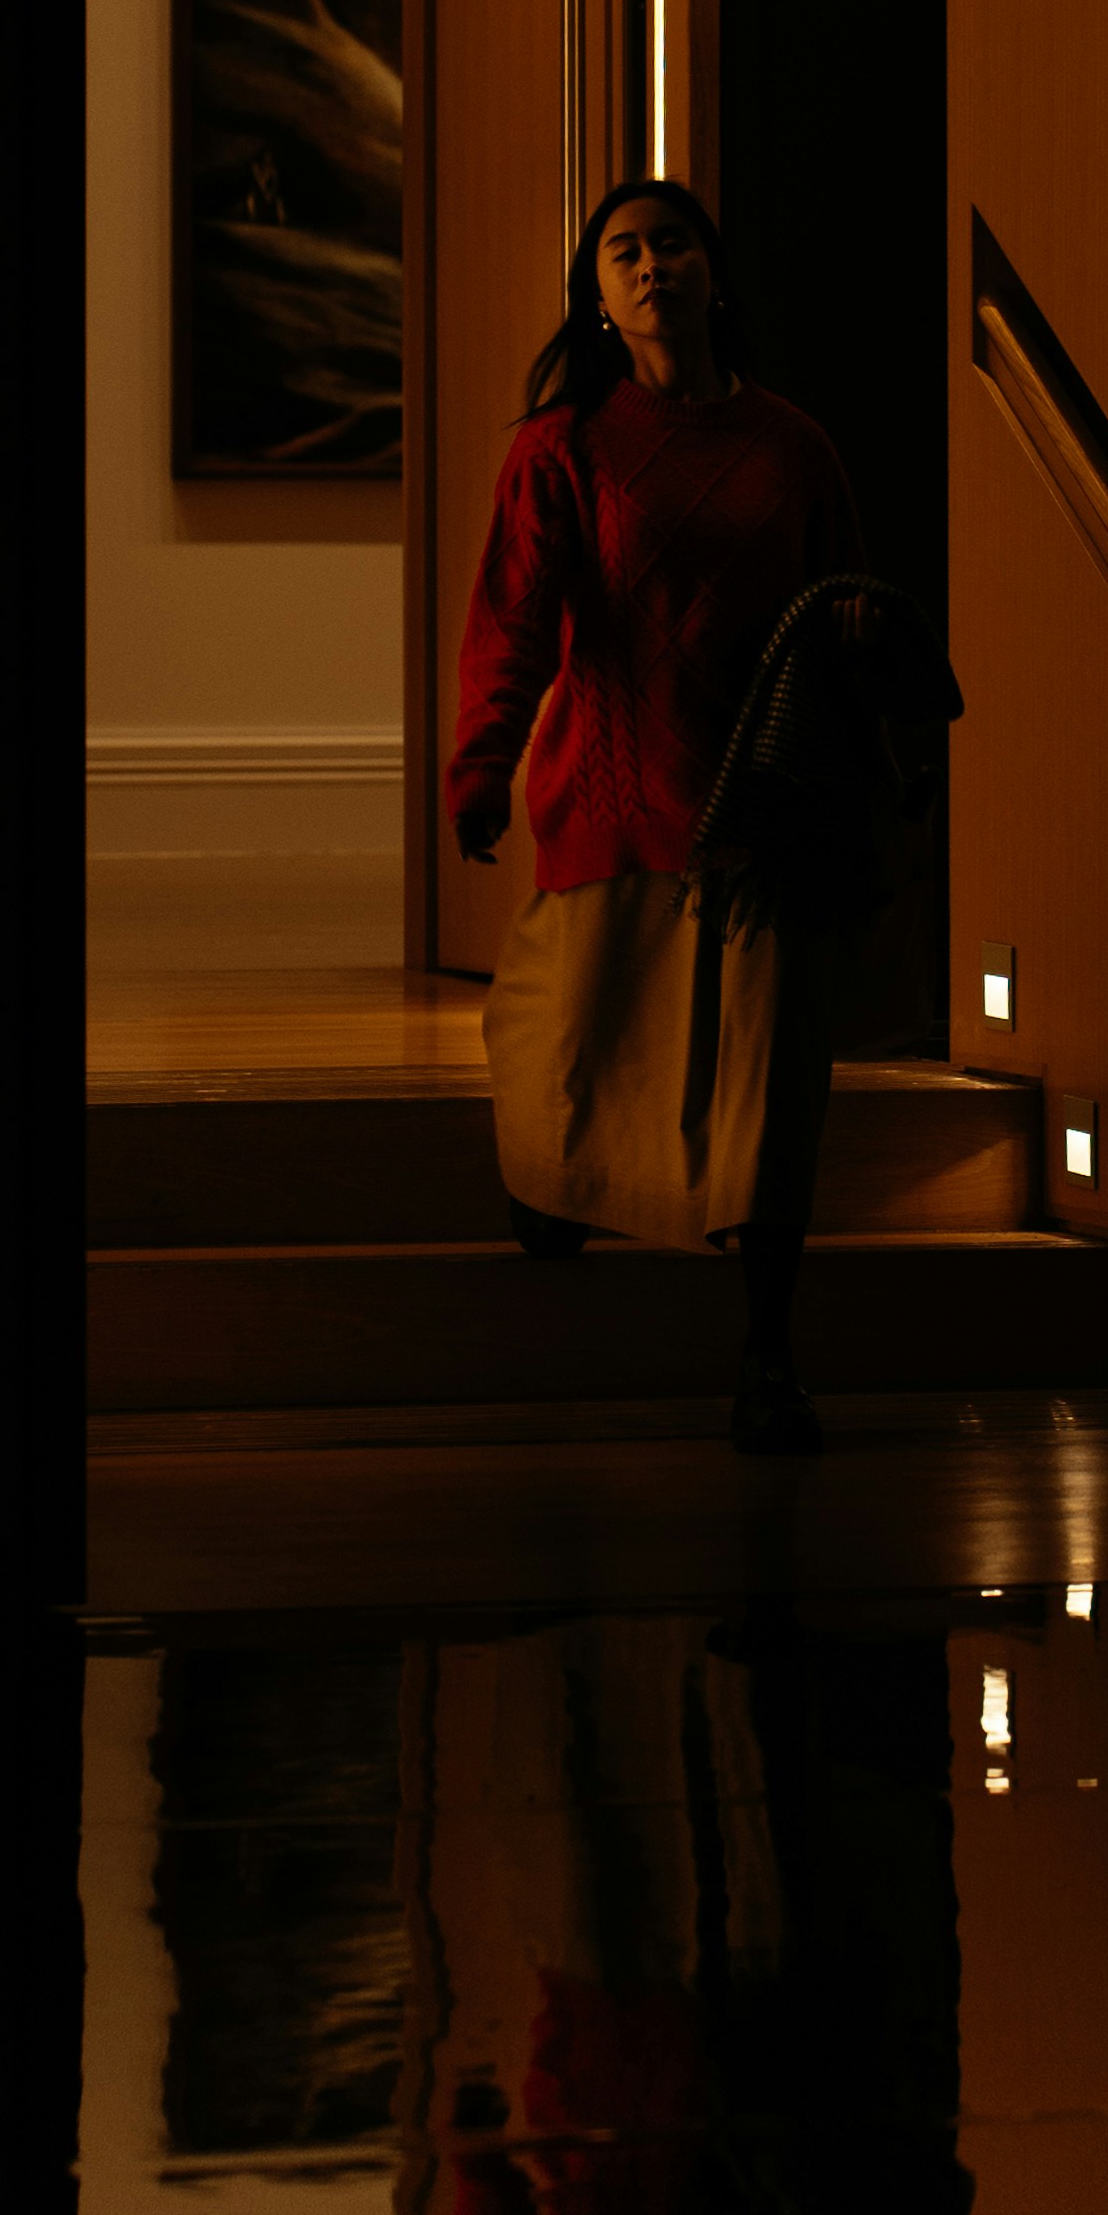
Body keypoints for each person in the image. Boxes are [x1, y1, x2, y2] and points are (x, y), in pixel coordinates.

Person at [446, 180, 873, 1456]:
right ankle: (557, 1189)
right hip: (615, 794)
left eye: (670, 243)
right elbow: (514, 621)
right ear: (598, 289)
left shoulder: (793, 445)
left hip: (763, 813)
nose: (649, 267)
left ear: (711, 271)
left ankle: (767, 1355)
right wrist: (481, 766)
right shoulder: (561, 445)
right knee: (564, 1047)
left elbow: (847, 604)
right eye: (622, 250)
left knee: (764, 1090)